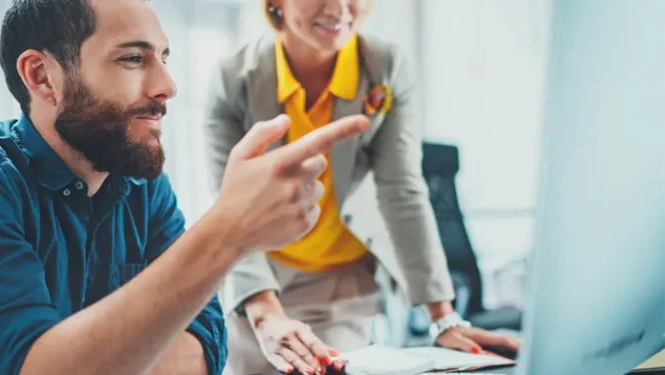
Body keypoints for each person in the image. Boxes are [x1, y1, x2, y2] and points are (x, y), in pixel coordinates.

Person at [0, 0, 369, 374]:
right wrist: (229, 230)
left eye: (164, 58)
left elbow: (208, 345)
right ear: (41, 76)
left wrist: (83, 357)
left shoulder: (141, 182)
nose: (167, 86)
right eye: (133, 58)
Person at [203, 0, 523, 374]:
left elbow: (400, 190)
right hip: (260, 271)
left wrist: (444, 318)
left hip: (340, 281)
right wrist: (264, 316)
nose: (340, 8)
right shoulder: (235, 78)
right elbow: (230, 207)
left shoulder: (383, 67)